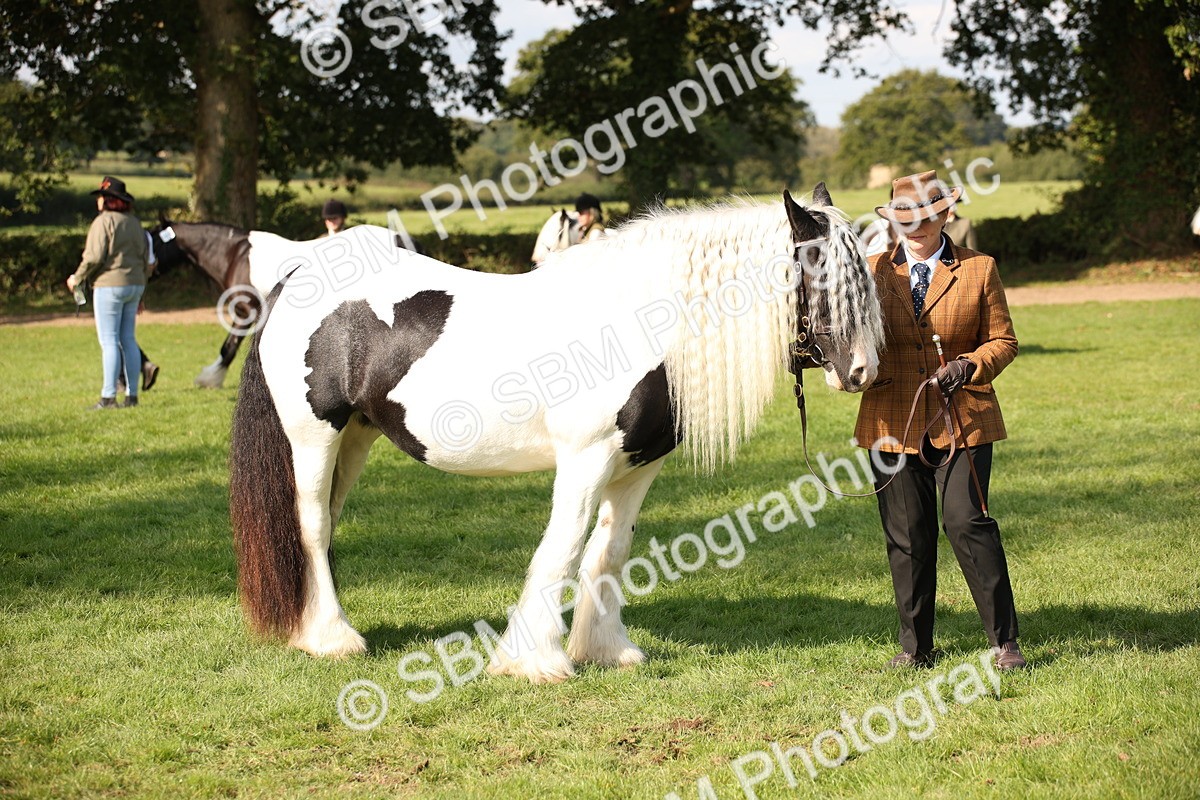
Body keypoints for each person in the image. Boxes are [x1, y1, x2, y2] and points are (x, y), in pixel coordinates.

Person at [857, 170, 1026, 672]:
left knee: (966, 522)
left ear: (945, 215)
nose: (915, 228)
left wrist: (969, 365)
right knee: (907, 538)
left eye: (925, 218)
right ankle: (916, 649)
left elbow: (1004, 341)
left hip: (964, 419)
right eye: (904, 219)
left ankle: (1004, 642)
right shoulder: (870, 273)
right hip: (890, 419)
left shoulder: (979, 268)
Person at [66, 176, 152, 409]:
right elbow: (146, 259)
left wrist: (77, 277)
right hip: (135, 285)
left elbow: (94, 257)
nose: (99, 201)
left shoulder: (103, 222)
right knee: (128, 339)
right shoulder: (135, 223)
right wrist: (142, 292)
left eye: (101, 197)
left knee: (109, 341)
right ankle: (132, 396)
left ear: (109, 200)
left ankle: (108, 397)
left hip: (110, 286)